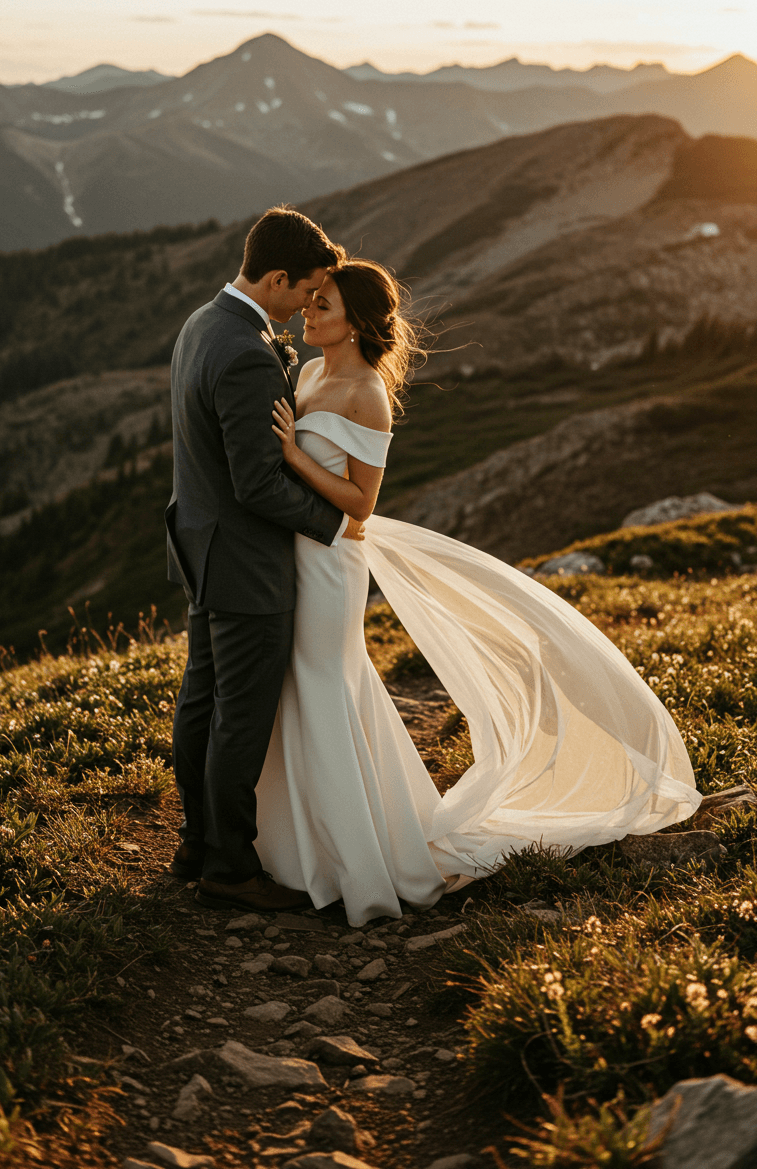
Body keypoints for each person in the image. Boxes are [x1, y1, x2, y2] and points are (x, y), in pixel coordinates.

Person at [254, 257, 701, 927]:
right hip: (292, 558)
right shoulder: (311, 371)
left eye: (324, 305)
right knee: (304, 688)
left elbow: (360, 506)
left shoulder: (366, 394)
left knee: (322, 685)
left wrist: (294, 458)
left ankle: (359, 864)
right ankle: (303, 850)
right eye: (311, 299)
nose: (308, 311)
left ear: (356, 325)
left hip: (331, 565)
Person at [165, 205, 365, 914]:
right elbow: (255, 484)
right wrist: (334, 525)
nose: (308, 306)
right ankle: (228, 864)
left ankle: (195, 843)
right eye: (305, 291)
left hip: (201, 546)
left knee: (202, 702)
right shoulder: (249, 351)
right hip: (247, 562)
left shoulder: (202, 323)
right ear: (276, 277)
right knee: (239, 718)